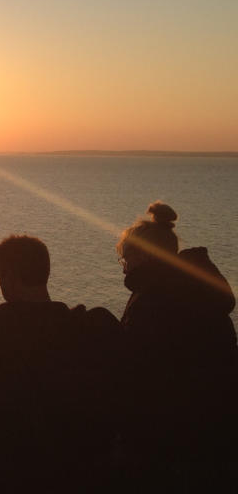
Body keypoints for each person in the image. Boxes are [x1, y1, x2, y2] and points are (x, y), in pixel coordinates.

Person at [0, 235, 122, 492]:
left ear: (11, 278)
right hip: (76, 471)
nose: (0, 284)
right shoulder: (86, 328)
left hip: (5, 475)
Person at [116, 202, 238, 490]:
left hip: (169, 441)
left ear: (145, 255)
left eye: (125, 259)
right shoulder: (202, 292)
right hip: (218, 431)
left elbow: (135, 374)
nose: (124, 268)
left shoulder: (153, 301)